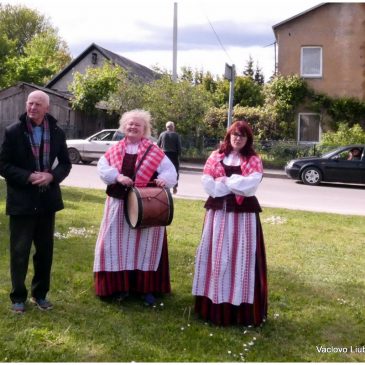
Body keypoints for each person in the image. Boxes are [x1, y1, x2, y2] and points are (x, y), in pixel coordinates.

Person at [93, 109, 177, 306]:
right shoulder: (114, 149)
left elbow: (170, 171)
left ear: (145, 129)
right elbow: (102, 167)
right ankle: (117, 288)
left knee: (145, 247)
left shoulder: (154, 151)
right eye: (130, 124)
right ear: (124, 126)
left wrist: (163, 180)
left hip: (145, 205)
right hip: (117, 203)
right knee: (115, 244)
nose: (133, 127)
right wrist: (117, 177)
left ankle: (145, 289)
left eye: (138, 125)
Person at [0, 90, 72, 314]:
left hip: (46, 200)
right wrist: (29, 176)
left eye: (38, 104)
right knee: (19, 251)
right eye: (30, 103)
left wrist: (52, 176)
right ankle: (18, 297)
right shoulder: (13, 131)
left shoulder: (58, 132)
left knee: (44, 251)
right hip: (21, 199)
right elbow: (3, 164)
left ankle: (40, 294)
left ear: (46, 108)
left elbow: (65, 164)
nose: (32, 107)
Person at [192, 120, 267, 326]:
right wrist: (233, 184)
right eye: (235, 134)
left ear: (248, 139)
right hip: (218, 214)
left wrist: (225, 181)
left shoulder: (253, 159)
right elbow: (208, 184)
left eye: (242, 136)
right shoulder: (216, 156)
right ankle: (213, 303)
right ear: (228, 136)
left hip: (243, 216)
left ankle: (240, 308)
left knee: (241, 254)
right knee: (216, 253)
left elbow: (250, 186)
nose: (238, 138)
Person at [157, 121, 182, 194]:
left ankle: (163, 184)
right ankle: (175, 186)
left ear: (166, 127)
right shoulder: (176, 135)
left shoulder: (162, 134)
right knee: (175, 170)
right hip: (174, 155)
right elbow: (179, 147)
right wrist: (179, 155)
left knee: (163, 170)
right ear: (173, 127)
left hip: (164, 155)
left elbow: (158, 145)